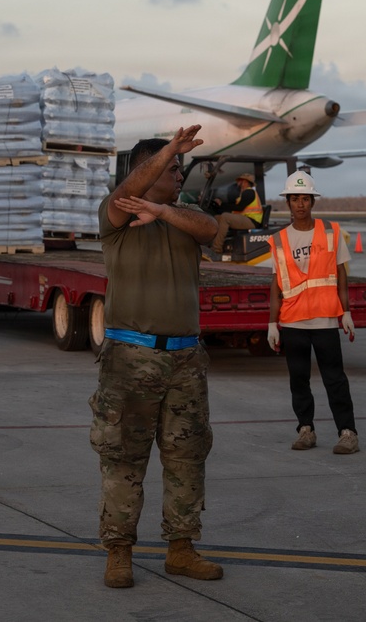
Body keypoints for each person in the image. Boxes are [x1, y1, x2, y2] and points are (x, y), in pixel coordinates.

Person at [88, 125, 224, 589]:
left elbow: (212, 230)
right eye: (171, 168)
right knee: (123, 458)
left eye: (180, 167)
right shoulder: (116, 218)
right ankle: (119, 552)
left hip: (185, 359)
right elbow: (128, 190)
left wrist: (165, 210)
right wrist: (165, 150)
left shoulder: (181, 216)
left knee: (187, 455)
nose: (180, 173)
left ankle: (181, 549)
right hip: (131, 358)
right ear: (146, 173)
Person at [266, 171, 359, 455]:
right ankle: (305, 429)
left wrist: (346, 312)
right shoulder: (280, 239)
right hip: (293, 321)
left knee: (335, 379)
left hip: (325, 320)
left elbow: (341, 275)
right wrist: (272, 321)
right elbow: (277, 283)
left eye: (305, 198)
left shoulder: (331, 231)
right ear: (288, 202)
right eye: (295, 199)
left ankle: (347, 433)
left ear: (312, 201)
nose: (300, 204)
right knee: (299, 380)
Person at [207, 172, 264, 257]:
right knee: (217, 218)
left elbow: (239, 207)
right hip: (245, 218)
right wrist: (219, 206)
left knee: (225, 217)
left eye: (239, 181)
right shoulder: (243, 194)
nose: (237, 183)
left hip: (252, 221)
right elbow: (233, 207)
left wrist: (222, 205)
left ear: (245, 182)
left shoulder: (249, 192)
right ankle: (209, 244)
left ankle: (216, 249)